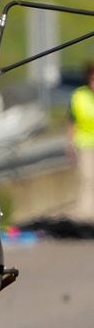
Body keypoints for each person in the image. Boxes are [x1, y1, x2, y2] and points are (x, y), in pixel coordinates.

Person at [71, 63, 94, 221]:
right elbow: (71, 121)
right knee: (88, 179)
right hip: (85, 144)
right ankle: (87, 216)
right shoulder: (79, 96)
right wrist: (69, 144)